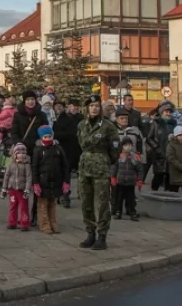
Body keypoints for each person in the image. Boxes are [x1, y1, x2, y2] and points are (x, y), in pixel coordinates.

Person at [77, 93, 118, 251]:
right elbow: (82, 144)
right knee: (86, 202)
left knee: (101, 204)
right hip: (85, 167)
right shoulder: (82, 125)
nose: (94, 109)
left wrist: (106, 160)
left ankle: (102, 237)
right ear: (87, 108)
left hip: (101, 168)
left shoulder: (107, 126)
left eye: (96, 106)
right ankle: (90, 233)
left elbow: (115, 148)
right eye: (91, 106)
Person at [31, 126, 70, 234]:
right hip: (43, 181)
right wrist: (35, 183)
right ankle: (44, 224)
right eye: (45, 136)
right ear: (41, 137)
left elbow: (65, 165)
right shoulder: (38, 150)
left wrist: (66, 181)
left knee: (52, 204)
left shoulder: (58, 149)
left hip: (55, 181)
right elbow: (34, 167)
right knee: (42, 204)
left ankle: (53, 223)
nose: (48, 139)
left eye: (50, 136)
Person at [0, 142, 33, 231]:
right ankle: (12, 223)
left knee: (24, 207)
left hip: (22, 190)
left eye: (23, 153)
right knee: (12, 207)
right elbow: (6, 177)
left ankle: (25, 224)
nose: (21, 155)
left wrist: (27, 189)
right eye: (19, 153)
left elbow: (29, 177)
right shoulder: (11, 164)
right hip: (12, 189)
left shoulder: (27, 165)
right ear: (15, 154)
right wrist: (4, 188)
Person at [112, 136, 142, 221]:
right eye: (125, 145)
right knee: (119, 198)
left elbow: (140, 169)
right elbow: (114, 167)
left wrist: (140, 180)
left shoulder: (135, 157)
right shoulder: (119, 156)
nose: (128, 147)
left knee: (131, 199)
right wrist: (113, 178)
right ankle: (118, 211)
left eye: (129, 145)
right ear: (122, 146)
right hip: (120, 181)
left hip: (131, 182)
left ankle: (132, 212)